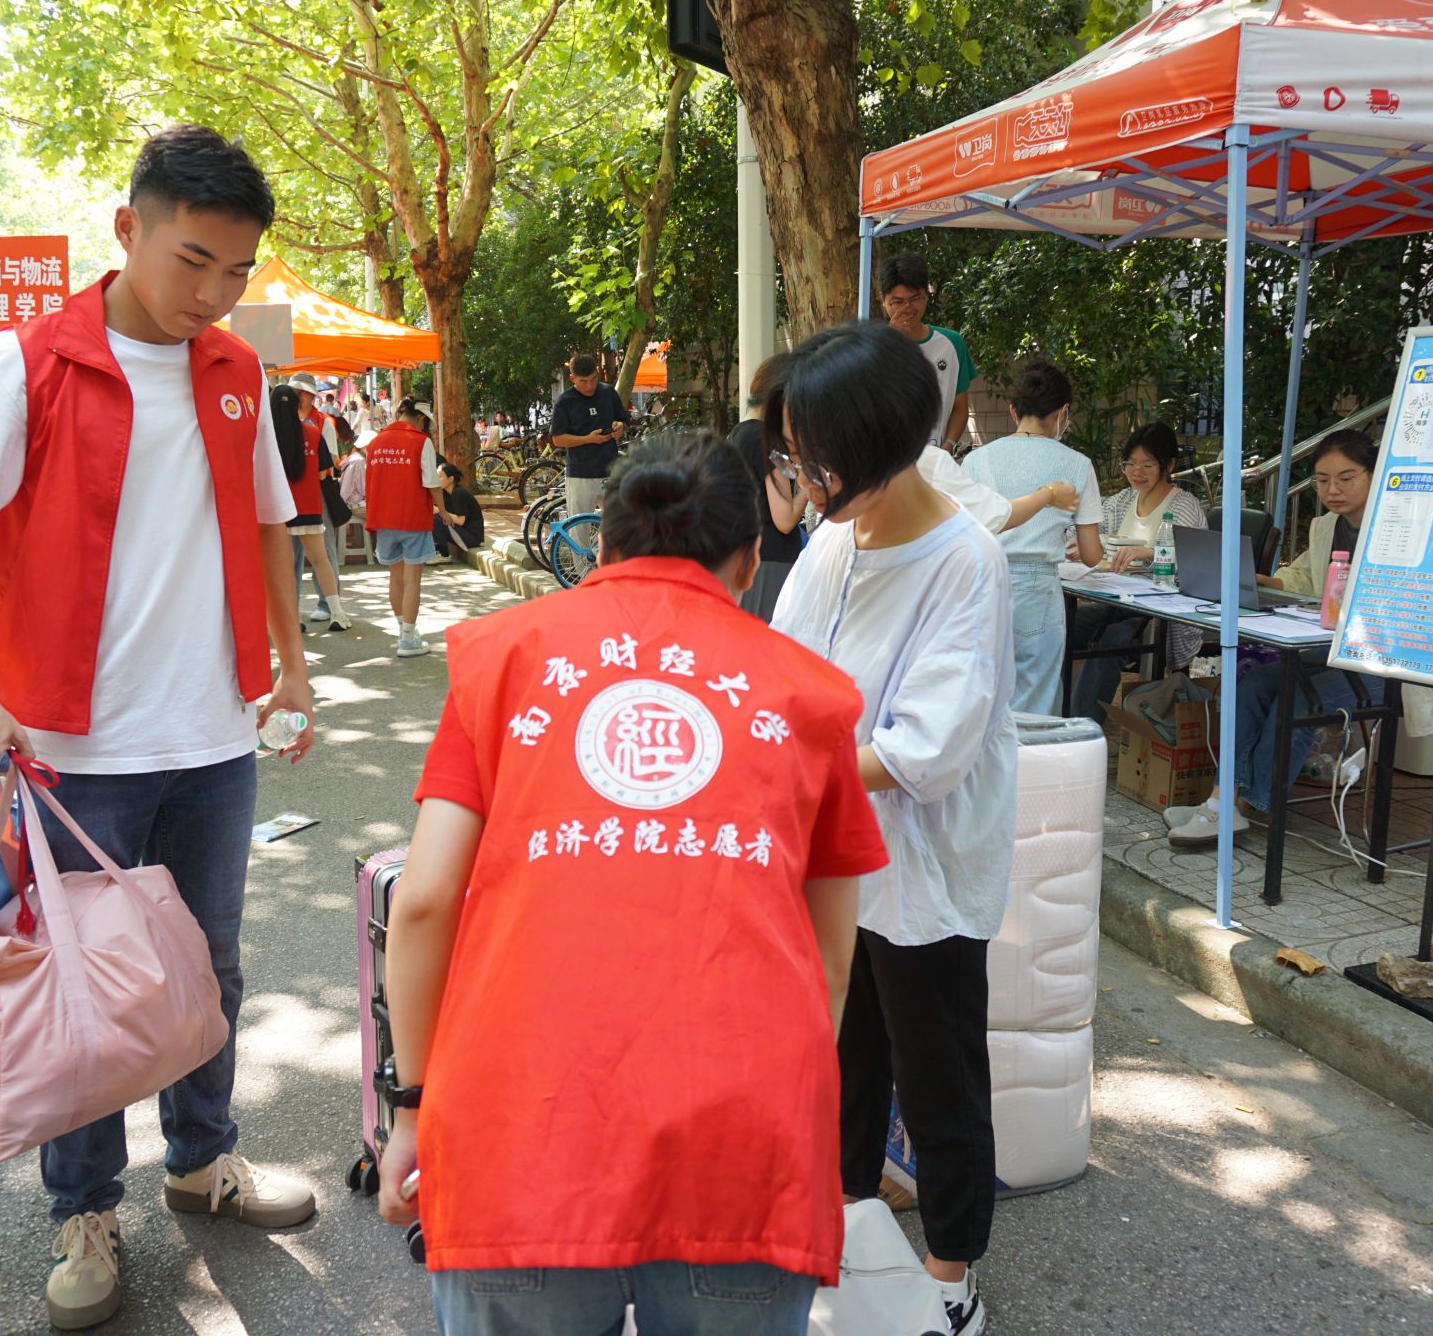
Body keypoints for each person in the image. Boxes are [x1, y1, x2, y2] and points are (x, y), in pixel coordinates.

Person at [0, 123, 318, 1331]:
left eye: (236, 271)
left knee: (207, 968)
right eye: (193, 262)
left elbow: (269, 523)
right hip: (68, 751)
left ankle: (202, 1160)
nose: (213, 294)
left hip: (212, 738)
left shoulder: (235, 371)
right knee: (79, 986)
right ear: (126, 230)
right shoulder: (25, 365)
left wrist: (291, 667)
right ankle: (83, 1210)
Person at [378, 432, 887, 1336]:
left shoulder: (503, 657)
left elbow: (421, 902)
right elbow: (832, 963)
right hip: (743, 1149)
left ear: (603, 545)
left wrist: (412, 1107)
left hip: (522, 1138)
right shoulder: (810, 695)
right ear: (750, 559)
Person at [767, 320, 1014, 1336]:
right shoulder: (833, 539)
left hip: (922, 866)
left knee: (937, 1074)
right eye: (795, 456)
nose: (804, 482)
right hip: (832, 863)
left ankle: (952, 1277)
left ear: (878, 448)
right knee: (843, 1059)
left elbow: (927, 749)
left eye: (816, 461)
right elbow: (782, 672)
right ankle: (848, 1235)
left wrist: (782, 761)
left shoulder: (965, 560)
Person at [1166, 429, 1383, 848]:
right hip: (1328, 649)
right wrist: (1261, 579)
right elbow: (1304, 576)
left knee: (1295, 698)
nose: (1332, 490)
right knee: (1251, 686)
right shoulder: (1326, 526)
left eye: (1346, 478)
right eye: (1322, 480)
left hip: (1381, 662)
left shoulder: (1394, 530)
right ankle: (1221, 803)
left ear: (1373, 475)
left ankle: (1246, 806)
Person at [962, 361, 1103, 717]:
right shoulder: (1078, 464)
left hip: (981, 585)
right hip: (1039, 592)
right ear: (1062, 412)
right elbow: (1091, 555)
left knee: (981, 700)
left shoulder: (976, 460)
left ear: (1013, 410)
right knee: (1035, 704)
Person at [1067, 423, 1208, 723]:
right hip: (1117, 601)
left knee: (1111, 641)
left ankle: (1082, 728)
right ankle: (1054, 715)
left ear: (1169, 465)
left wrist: (1148, 554)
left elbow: (1194, 563)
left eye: (1147, 465)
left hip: (1162, 615)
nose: (1136, 472)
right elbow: (1090, 529)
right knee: (1061, 624)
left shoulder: (1184, 506)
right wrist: (1080, 543)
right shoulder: (1123, 500)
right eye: (1130, 464)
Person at [361, 396, 441, 656]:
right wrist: (445, 511)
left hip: (383, 518)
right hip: (413, 517)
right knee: (412, 580)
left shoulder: (376, 442)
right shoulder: (421, 441)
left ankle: (403, 631)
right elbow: (432, 482)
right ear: (421, 418)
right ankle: (408, 639)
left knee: (395, 578)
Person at [726, 353, 802, 621]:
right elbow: (785, 520)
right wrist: (809, 483)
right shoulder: (767, 440)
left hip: (745, 556)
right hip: (772, 560)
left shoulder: (739, 433)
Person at [272, 384, 354, 633]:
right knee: (320, 560)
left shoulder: (266, 437)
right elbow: (321, 474)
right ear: (298, 405)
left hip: (279, 510)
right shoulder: (313, 432)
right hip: (309, 506)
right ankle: (336, 613)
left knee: (285, 566)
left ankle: (292, 617)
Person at [875, 252, 977, 448]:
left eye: (915, 299)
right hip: (886, 461)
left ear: (926, 295)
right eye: (898, 302)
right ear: (882, 299)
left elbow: (959, 406)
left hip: (935, 458)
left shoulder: (952, 343)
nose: (908, 308)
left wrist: (947, 447)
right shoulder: (870, 349)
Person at [550, 352, 628, 528]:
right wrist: (588, 439)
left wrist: (620, 427)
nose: (590, 386)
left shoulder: (608, 393)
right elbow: (558, 439)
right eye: (583, 381)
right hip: (580, 475)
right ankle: (581, 549)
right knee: (579, 529)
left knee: (621, 526)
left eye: (593, 379)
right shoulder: (565, 402)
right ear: (572, 378)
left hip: (610, 472)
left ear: (597, 372)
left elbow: (623, 420)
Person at [430, 460, 483, 558]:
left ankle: (443, 554)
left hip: (471, 537)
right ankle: (433, 550)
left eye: (440, 476)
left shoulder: (459, 493)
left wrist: (439, 511)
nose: (436, 480)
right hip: (458, 532)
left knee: (436, 519)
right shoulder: (445, 493)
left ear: (451, 479)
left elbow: (460, 521)